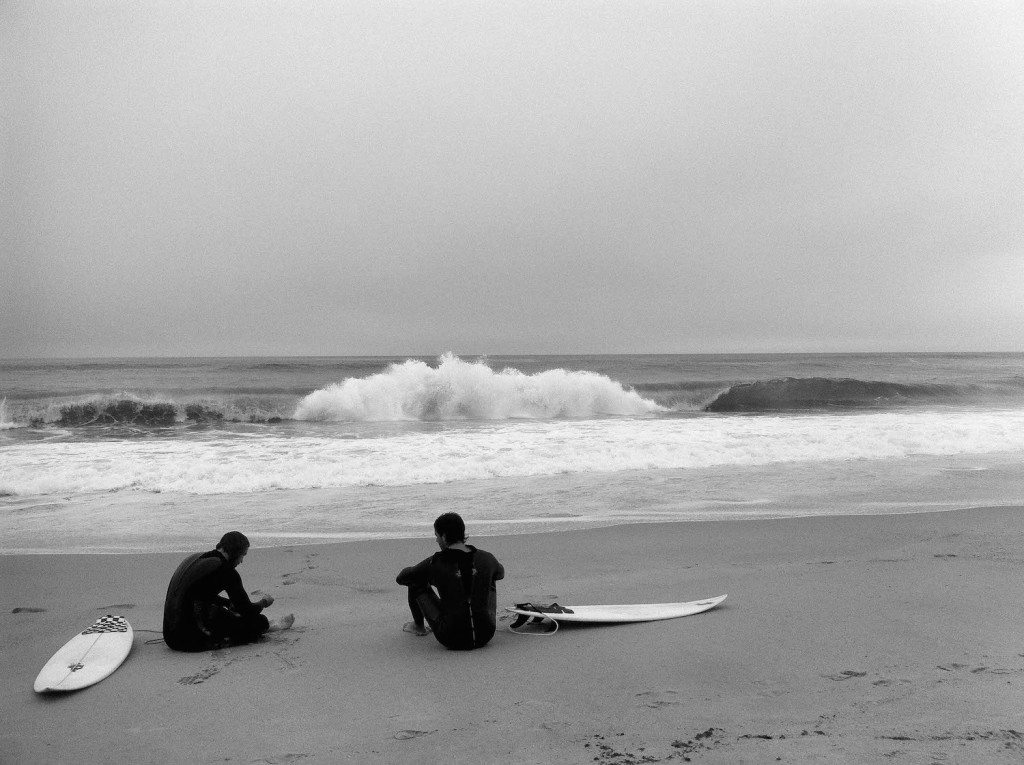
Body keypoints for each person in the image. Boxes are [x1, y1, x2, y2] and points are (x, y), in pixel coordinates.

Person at [162, 531, 294, 651]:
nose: (241, 561)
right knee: (259, 621)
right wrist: (264, 602)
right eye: (243, 555)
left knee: (224, 612)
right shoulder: (226, 571)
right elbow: (247, 610)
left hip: (170, 636)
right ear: (235, 552)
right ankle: (267, 627)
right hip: (190, 640)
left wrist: (227, 603)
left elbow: (198, 594)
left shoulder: (195, 558)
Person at [396, 512, 505, 650]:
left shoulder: (435, 563)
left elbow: (402, 578)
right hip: (486, 633)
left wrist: (440, 579)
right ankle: (479, 616)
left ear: (444, 536)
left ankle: (418, 627)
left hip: (451, 637)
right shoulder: (487, 558)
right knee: (491, 576)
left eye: (437, 536)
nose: (436, 540)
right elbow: (500, 574)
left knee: (415, 580)